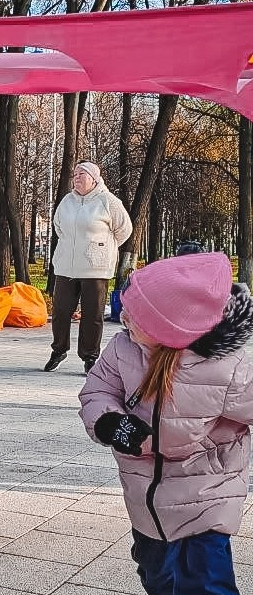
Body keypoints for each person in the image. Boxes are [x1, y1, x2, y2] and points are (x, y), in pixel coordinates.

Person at [79, 252, 253, 595]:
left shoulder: (227, 368)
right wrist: (109, 422)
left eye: (135, 316)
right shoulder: (122, 349)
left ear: (170, 329)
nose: (124, 318)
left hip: (207, 494)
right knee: (158, 577)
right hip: (146, 497)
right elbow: (97, 390)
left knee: (205, 583)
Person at [45, 161, 132, 374]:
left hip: (95, 268)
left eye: (81, 174)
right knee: (61, 312)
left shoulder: (108, 201)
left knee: (92, 315)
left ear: (94, 178)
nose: (76, 177)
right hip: (66, 266)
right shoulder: (67, 201)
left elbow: (124, 229)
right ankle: (59, 350)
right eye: (74, 174)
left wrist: (102, 247)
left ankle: (90, 357)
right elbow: (58, 226)